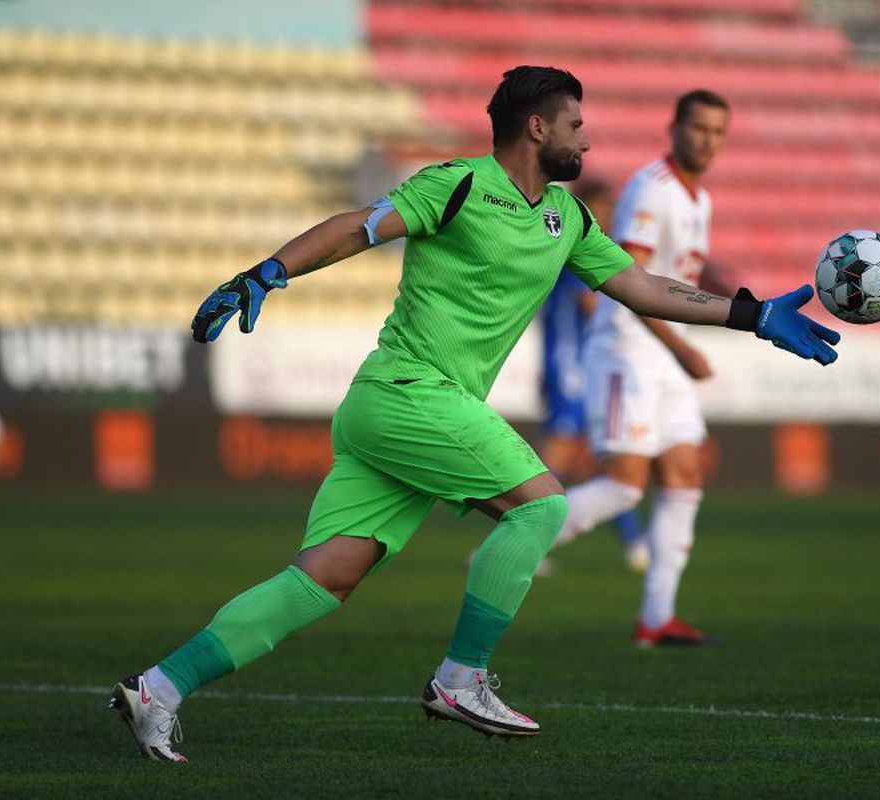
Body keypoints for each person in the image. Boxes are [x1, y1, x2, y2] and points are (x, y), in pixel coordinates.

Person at [109, 66, 839, 762]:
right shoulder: (457, 184)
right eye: (576, 125)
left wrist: (752, 315)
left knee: (326, 576)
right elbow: (357, 226)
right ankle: (461, 680)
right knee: (541, 508)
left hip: (393, 410)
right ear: (535, 127)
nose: (588, 141)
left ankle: (159, 689)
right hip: (410, 392)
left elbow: (644, 288)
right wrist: (268, 272)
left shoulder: (567, 217)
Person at [551, 90, 735, 647]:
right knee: (625, 489)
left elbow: (682, 279)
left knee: (684, 477)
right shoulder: (650, 190)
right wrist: (681, 349)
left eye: (717, 131)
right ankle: (519, 535)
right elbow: (631, 284)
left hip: (665, 358)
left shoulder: (698, 199)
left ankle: (656, 617)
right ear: (674, 127)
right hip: (629, 353)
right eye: (698, 127)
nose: (707, 140)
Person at [537, 179, 647, 573]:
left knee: (603, 458)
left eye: (610, 209)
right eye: (600, 208)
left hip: (586, 365)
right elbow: (592, 302)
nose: (607, 216)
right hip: (568, 365)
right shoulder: (572, 248)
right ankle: (521, 541)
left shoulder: (586, 249)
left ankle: (635, 542)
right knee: (562, 453)